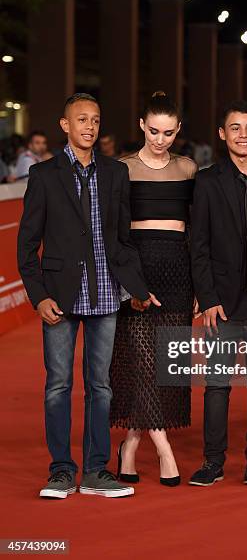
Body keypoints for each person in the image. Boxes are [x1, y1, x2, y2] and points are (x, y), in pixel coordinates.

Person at [17, 92, 151, 499]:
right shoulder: (43, 175)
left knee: (101, 386)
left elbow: (123, 239)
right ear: (65, 125)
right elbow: (26, 247)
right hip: (58, 297)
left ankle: (95, 471)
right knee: (57, 385)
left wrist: (137, 288)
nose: (89, 126)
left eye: (95, 119)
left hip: (107, 294)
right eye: (81, 120)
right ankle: (60, 471)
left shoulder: (115, 173)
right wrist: (38, 296)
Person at [189, 100, 247, 487]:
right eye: (235, 127)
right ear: (222, 134)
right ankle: (213, 461)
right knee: (217, 386)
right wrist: (207, 297)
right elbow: (199, 244)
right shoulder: (207, 181)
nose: (243, 134)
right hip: (222, 302)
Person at [109, 92, 197, 487]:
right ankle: (164, 449)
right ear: (142, 126)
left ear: (177, 130)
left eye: (168, 133)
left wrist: (198, 284)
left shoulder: (189, 168)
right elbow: (115, 234)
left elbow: (195, 230)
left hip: (178, 269)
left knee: (167, 362)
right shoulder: (121, 169)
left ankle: (130, 443)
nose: (160, 139)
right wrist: (132, 284)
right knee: (144, 362)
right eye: (153, 130)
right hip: (137, 269)